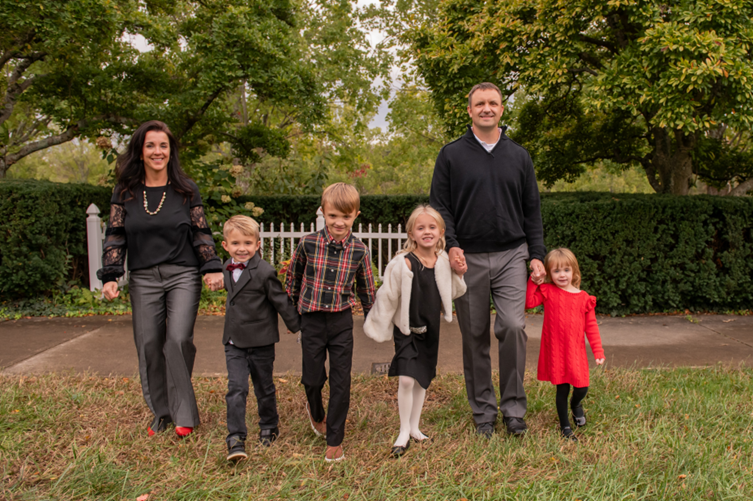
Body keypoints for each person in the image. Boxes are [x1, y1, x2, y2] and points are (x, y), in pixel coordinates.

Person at [430, 82, 547, 438]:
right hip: (468, 258)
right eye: (479, 103)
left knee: (512, 326)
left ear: (501, 109)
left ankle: (513, 408)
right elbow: (440, 207)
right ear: (469, 111)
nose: (486, 108)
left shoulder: (519, 156)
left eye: (493, 103)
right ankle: (483, 411)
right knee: (475, 336)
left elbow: (532, 211)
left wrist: (537, 255)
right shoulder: (451, 155)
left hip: (513, 254)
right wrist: (450, 245)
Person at [98, 120, 224, 439]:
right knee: (149, 345)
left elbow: (200, 231)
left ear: (171, 151)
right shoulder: (125, 192)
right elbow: (114, 236)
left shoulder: (185, 189)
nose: (158, 151)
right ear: (140, 152)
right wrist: (111, 276)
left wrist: (210, 266)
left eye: (163, 145)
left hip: (182, 274)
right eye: (151, 145)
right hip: (143, 278)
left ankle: (185, 414)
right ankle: (162, 414)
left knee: (178, 340)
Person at [364, 205, 467, 457]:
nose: (427, 232)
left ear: (441, 231)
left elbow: (454, 291)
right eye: (421, 228)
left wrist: (460, 272)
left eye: (432, 227)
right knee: (407, 377)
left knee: (422, 378)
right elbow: (387, 296)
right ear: (411, 233)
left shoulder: (443, 261)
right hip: (407, 329)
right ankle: (402, 431)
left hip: (430, 328)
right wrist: (378, 324)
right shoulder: (402, 263)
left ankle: (415, 427)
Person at [285, 183, 376, 462]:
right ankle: (316, 412)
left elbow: (367, 289)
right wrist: (292, 315)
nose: (339, 222)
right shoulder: (308, 243)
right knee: (312, 379)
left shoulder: (359, 250)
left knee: (341, 381)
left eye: (346, 217)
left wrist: (374, 319)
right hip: (311, 320)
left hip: (341, 322)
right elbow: (293, 280)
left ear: (356, 216)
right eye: (333, 215)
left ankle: (335, 440)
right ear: (323, 212)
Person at [217, 215, 301, 461]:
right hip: (233, 340)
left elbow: (280, 300)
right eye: (235, 244)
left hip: (261, 340)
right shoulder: (224, 267)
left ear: (257, 244)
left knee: (264, 387)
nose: (241, 249)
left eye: (247, 243)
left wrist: (297, 327)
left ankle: (269, 424)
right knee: (236, 388)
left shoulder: (264, 271)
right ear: (225, 245)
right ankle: (235, 438)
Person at [525, 248, 605, 442]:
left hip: (575, 351)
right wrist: (533, 281)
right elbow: (528, 302)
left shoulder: (584, 298)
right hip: (556, 351)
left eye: (566, 270)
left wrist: (598, 350)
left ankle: (576, 405)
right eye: (556, 271)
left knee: (582, 387)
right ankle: (565, 427)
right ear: (550, 274)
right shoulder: (547, 291)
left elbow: (591, 327)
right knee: (562, 389)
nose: (562, 275)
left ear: (574, 272)